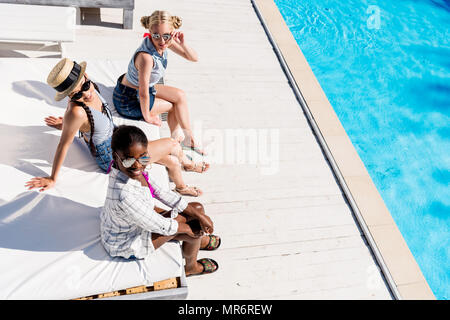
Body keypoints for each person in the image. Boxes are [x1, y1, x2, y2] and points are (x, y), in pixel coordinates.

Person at [25, 58, 207, 196]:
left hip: (120, 139)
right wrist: (52, 178)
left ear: (86, 77)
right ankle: (189, 165)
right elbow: (63, 145)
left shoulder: (91, 89)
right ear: (69, 96)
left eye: (85, 86)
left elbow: (85, 123)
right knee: (173, 145)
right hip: (115, 161)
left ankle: (181, 187)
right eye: (77, 94)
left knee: (172, 161)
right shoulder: (76, 112)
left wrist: (64, 124)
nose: (86, 94)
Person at [102, 125, 220, 276]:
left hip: (138, 220)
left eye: (143, 157)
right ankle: (191, 267)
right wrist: (192, 229)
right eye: (128, 160)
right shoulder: (123, 194)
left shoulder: (132, 171)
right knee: (195, 228)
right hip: (127, 242)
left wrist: (200, 216)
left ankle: (197, 240)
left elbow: (161, 192)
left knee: (196, 210)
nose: (137, 165)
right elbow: (161, 226)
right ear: (115, 156)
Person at [113, 10, 206, 155]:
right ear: (149, 32)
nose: (161, 41)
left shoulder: (165, 43)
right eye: (156, 35)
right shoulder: (146, 58)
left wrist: (183, 43)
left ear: (172, 33)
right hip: (128, 99)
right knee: (172, 105)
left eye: (166, 36)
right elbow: (143, 93)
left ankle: (183, 137)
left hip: (141, 89)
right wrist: (148, 117)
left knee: (180, 95)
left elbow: (194, 58)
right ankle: (183, 140)